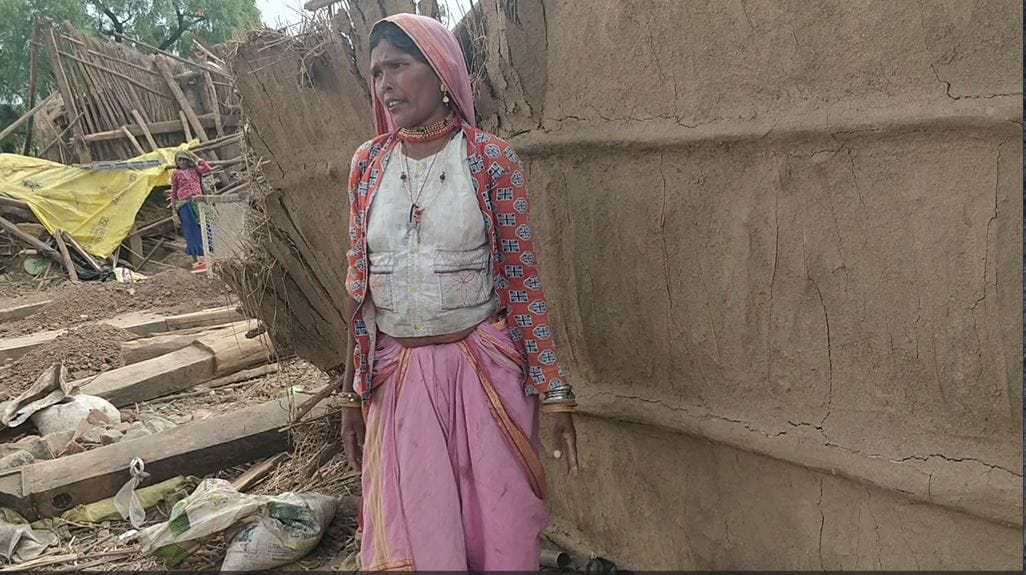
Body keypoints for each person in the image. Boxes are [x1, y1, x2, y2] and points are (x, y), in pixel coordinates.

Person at [338, 13, 579, 572]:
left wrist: (554, 388)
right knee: (422, 538)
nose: (385, 84)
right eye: (376, 73)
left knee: (495, 529)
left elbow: (521, 281)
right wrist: (352, 394)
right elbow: (359, 291)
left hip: (481, 372)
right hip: (397, 382)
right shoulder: (368, 165)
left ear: (442, 71)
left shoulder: (491, 160)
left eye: (398, 65)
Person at [169, 150, 211, 273]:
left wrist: (200, 161)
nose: (182, 162)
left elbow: (207, 169)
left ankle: (207, 257)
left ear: (188, 160)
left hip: (198, 202)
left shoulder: (195, 170)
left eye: (184, 159)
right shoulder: (176, 174)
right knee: (190, 231)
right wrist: (174, 210)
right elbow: (173, 191)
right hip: (184, 204)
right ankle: (195, 261)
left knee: (204, 227)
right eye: (180, 160)